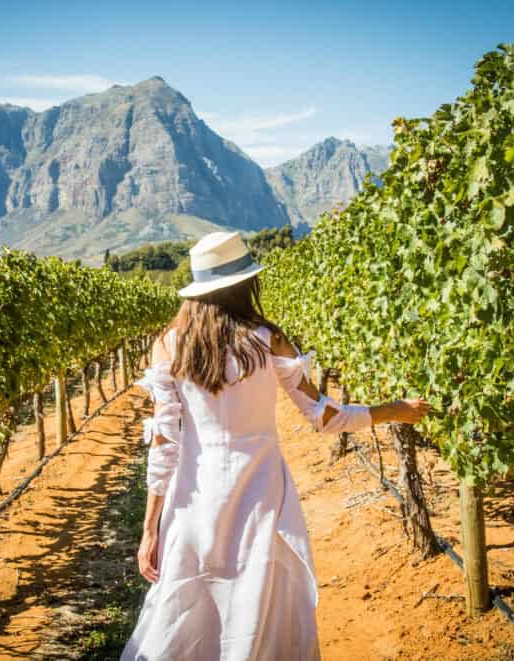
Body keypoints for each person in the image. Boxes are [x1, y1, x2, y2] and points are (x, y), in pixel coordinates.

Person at [120, 232, 429, 660]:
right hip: (261, 500)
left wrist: (150, 525)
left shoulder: (169, 345)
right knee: (255, 619)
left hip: (193, 502)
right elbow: (325, 417)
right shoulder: (269, 341)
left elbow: (164, 445)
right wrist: (389, 410)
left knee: (185, 620)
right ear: (245, 284)